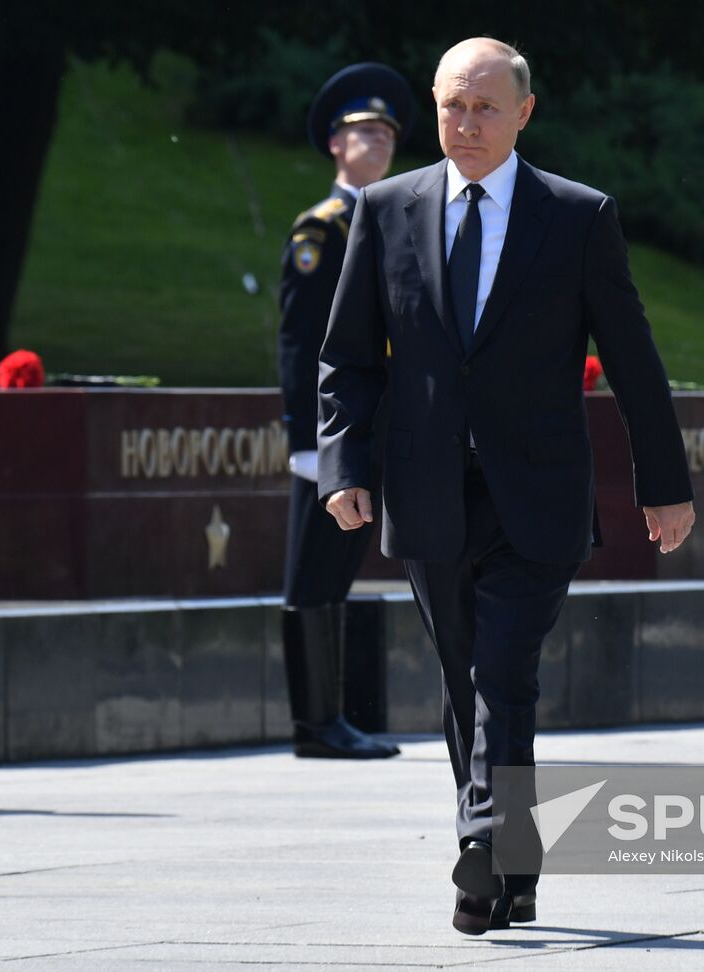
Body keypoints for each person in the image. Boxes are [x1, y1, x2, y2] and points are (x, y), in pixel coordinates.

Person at [317, 38, 695, 933]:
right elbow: (347, 360)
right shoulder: (386, 209)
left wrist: (664, 485)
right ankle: (513, 869)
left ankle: (483, 843)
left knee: (503, 670)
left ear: (525, 112)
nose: (467, 123)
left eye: (486, 107)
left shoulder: (577, 216)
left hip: (539, 493)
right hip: (427, 491)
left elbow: (635, 363)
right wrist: (342, 466)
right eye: (452, 105)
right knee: (462, 682)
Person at [278, 63, 414, 759]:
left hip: (376, 424)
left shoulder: (392, 220)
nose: (379, 141)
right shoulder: (322, 230)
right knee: (314, 573)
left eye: (387, 131)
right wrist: (308, 440)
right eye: (364, 130)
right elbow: (303, 345)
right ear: (335, 143)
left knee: (339, 571)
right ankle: (315, 724)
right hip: (331, 436)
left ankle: (330, 719)